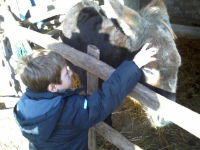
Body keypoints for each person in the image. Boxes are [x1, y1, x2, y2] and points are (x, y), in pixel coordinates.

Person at [14, 43, 157, 150]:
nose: (71, 72)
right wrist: (134, 65)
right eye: (66, 73)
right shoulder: (70, 109)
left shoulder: (23, 104)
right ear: (53, 87)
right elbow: (104, 100)